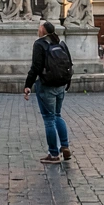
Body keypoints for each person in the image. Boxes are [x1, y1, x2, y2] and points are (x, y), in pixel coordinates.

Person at [24, 21, 73, 164]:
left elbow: (36, 67)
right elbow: (69, 64)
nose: (38, 29)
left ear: (43, 30)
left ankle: (53, 154)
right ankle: (65, 146)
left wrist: (28, 85)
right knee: (57, 115)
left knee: (49, 119)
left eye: (40, 27)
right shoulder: (61, 43)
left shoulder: (39, 44)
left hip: (47, 86)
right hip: (60, 85)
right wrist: (66, 83)